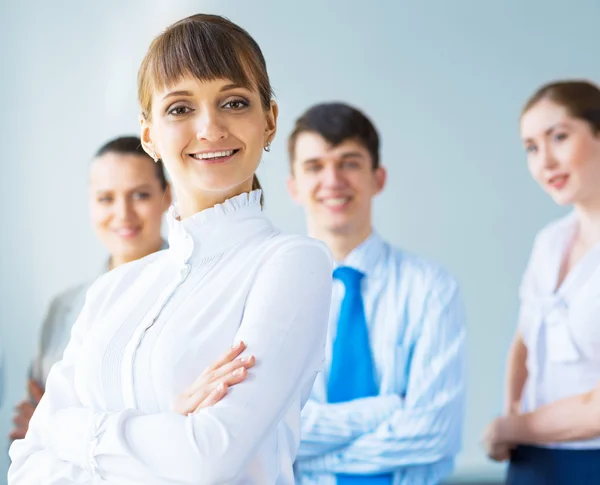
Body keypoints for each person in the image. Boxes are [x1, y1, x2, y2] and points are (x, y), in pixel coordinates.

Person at [8, 13, 332, 485]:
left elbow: (206, 462)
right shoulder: (113, 290)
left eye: (234, 102)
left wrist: (68, 429)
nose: (210, 127)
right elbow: (26, 466)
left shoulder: (291, 264)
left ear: (269, 121)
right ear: (148, 135)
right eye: (180, 109)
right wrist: (168, 424)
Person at [287, 102, 467, 484]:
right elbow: (263, 429)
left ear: (378, 178)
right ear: (293, 187)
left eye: (349, 162)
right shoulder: (270, 293)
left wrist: (311, 461)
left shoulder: (430, 288)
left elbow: (433, 433)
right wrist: (385, 411)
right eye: (315, 166)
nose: (333, 180)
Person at [8, 136, 171, 441]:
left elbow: (178, 429)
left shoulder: (193, 290)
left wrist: (59, 429)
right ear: (90, 203)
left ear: (168, 196)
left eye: (140, 195)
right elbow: (29, 433)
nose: (123, 214)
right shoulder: (63, 307)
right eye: (105, 198)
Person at [483, 80, 600, 484]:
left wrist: (511, 428)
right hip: (531, 463)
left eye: (560, 137)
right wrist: (513, 415)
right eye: (532, 148)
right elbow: (524, 339)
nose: (545, 161)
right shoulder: (550, 242)